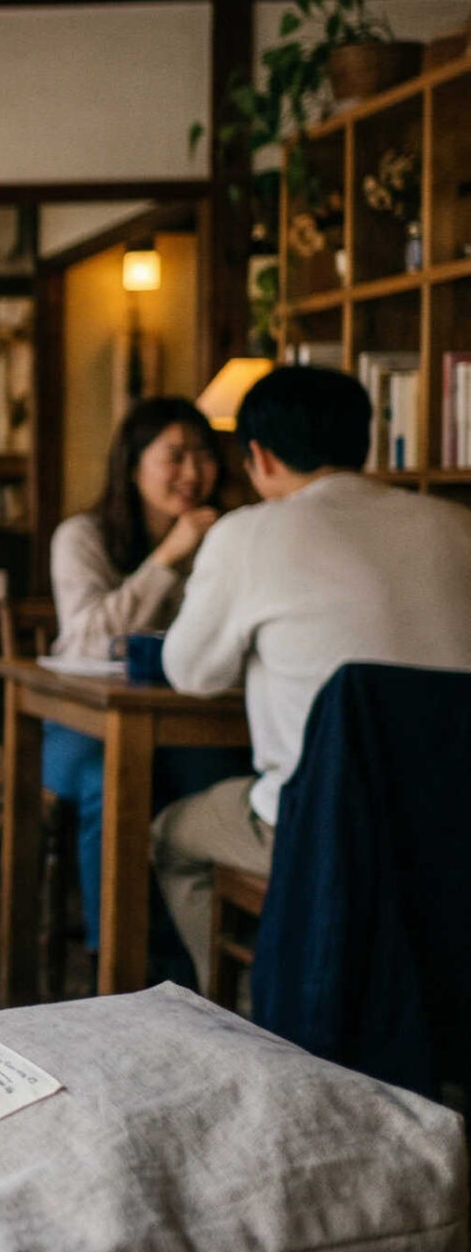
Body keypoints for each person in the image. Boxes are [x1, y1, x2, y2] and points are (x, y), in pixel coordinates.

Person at [156, 366, 471, 991]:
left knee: (171, 837)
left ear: (260, 457)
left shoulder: (247, 533)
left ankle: (251, 1013)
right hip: (454, 822)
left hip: (320, 827)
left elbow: (189, 672)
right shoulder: (457, 525)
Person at [42, 398, 249, 954]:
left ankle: (204, 959)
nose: (193, 472)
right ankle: (114, 958)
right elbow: (89, 640)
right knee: (111, 782)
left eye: (204, 455)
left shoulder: (227, 539)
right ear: (133, 466)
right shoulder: (81, 536)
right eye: (175, 456)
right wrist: (167, 558)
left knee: (224, 780)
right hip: (82, 723)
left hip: (183, 725)